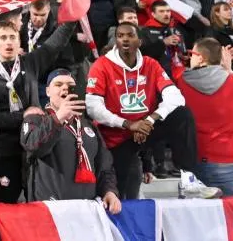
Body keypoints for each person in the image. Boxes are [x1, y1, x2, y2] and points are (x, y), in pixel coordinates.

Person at [84, 23, 218, 199]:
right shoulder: (102, 65)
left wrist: (150, 120)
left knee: (182, 115)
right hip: (115, 138)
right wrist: (129, 124)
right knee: (120, 196)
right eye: (120, 35)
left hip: (144, 130)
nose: (125, 39)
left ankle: (188, 180)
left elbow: (176, 97)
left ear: (139, 41)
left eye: (130, 35)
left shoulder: (151, 65)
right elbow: (93, 108)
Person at [0, 15, 75, 203]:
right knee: (5, 205)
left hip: (34, 147)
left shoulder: (30, 63)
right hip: (7, 149)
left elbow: (55, 43)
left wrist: (73, 19)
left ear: (18, 40)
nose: (8, 42)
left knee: (38, 204)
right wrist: (24, 115)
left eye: (12, 37)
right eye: (3, 38)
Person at [20, 69, 121, 212]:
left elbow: (104, 165)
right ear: (47, 91)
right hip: (50, 210)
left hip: (86, 209)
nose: (65, 88)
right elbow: (33, 147)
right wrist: (59, 117)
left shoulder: (88, 125)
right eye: (58, 84)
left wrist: (109, 191)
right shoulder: (36, 119)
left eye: (70, 85)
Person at [172, 38, 233, 196]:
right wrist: (229, 70)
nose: (190, 58)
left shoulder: (181, 82)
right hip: (229, 164)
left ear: (201, 58)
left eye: (192, 54)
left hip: (194, 166)